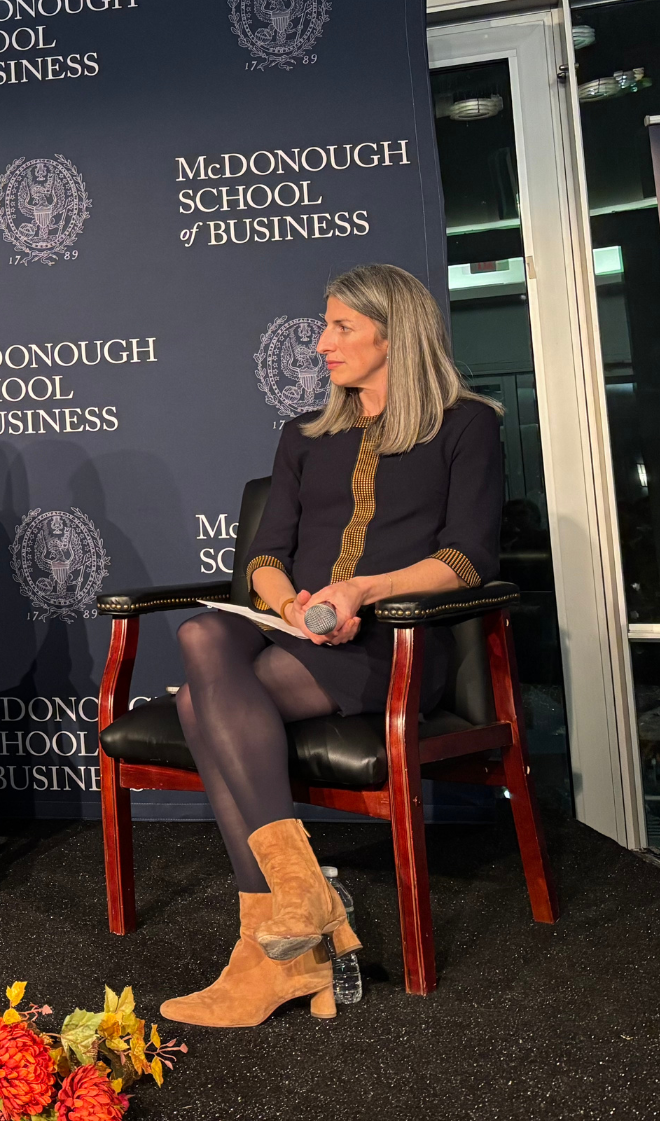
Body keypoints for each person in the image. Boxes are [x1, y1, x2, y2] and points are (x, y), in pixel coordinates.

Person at [160, 264, 503, 1028]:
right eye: (325, 325)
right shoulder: (305, 437)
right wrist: (293, 602)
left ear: (395, 331)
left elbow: (470, 556)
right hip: (299, 630)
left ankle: (277, 950)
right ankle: (299, 911)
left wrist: (360, 592)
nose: (321, 344)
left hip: (394, 644)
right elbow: (264, 555)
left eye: (341, 326)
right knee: (200, 631)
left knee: (194, 702)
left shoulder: (466, 424)